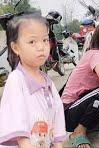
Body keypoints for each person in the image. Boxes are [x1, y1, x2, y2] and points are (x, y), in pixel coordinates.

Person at [0, 13, 66, 147]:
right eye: (32, 41)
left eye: (45, 40)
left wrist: (57, 143)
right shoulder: (16, 80)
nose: (41, 47)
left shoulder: (47, 80)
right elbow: (16, 119)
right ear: (16, 48)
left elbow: (57, 113)